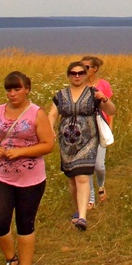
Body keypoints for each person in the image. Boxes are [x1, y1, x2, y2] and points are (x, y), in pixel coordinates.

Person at [0, 71, 55, 265]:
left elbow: (48, 144)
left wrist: (21, 152)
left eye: (17, 89)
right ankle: (10, 258)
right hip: (3, 176)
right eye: (8, 89)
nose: (12, 94)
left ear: (27, 89)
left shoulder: (36, 114)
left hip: (31, 179)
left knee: (25, 225)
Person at [48, 61, 116, 231]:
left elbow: (112, 111)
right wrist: (49, 129)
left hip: (88, 141)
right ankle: (78, 210)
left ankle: (83, 218)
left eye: (80, 73)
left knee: (83, 177)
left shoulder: (94, 94)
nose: (77, 76)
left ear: (86, 75)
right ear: (68, 75)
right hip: (67, 143)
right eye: (73, 73)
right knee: (72, 179)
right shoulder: (61, 95)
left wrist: (104, 99)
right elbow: (52, 114)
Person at [82, 56, 114, 210]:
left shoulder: (104, 85)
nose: (83, 71)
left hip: (101, 127)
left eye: (86, 67)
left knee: (98, 166)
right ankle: (91, 197)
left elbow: (110, 109)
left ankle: (101, 185)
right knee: (87, 165)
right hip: (84, 131)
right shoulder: (78, 86)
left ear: (94, 69)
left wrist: (110, 126)